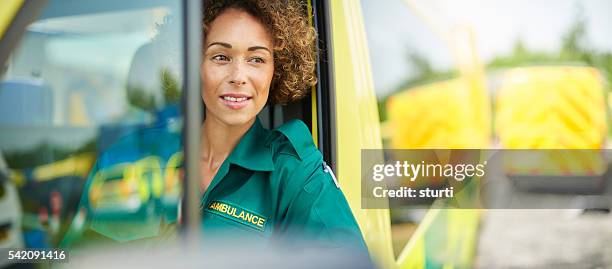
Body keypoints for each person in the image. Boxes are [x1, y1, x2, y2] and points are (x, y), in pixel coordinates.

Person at [198, 0, 368, 252]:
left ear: (276, 70)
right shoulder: (154, 154)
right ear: (195, 64)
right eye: (221, 57)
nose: (238, 76)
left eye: (256, 59)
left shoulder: (295, 171)